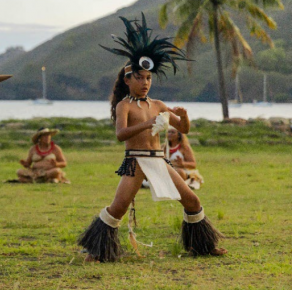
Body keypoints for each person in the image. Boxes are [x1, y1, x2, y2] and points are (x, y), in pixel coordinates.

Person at [78, 14, 226, 262]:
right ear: (127, 80)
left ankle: (201, 246)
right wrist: (146, 123)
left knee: (192, 200)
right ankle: (98, 251)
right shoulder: (125, 106)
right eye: (139, 77)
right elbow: (120, 134)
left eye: (148, 78)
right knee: (118, 208)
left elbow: (184, 129)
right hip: (135, 161)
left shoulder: (157, 104)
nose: (145, 82)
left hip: (159, 160)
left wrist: (184, 116)